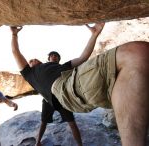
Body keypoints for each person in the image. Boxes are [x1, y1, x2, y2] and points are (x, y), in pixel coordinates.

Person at [10, 24, 149, 146]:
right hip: (65, 90)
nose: (32, 60)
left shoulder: (62, 67)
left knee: (131, 72)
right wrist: (14, 34)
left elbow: (83, 58)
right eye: (31, 60)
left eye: (34, 59)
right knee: (138, 52)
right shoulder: (30, 74)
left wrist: (94, 34)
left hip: (74, 84)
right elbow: (16, 52)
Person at [35, 51, 82, 146]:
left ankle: (80, 145)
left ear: (59, 59)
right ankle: (37, 142)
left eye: (56, 56)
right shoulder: (43, 68)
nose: (54, 57)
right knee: (43, 122)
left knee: (72, 122)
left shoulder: (63, 67)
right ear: (48, 59)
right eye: (51, 55)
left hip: (62, 99)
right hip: (47, 99)